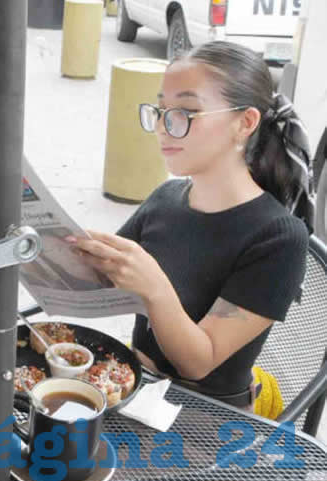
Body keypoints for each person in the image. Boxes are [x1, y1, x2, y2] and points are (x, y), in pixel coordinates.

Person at [68, 41, 312, 410]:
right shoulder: (166, 198)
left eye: (185, 112)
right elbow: (93, 283)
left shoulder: (279, 238)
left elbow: (198, 362)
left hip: (205, 423)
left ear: (244, 123)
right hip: (132, 390)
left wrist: (154, 287)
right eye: (162, 110)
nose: (165, 128)